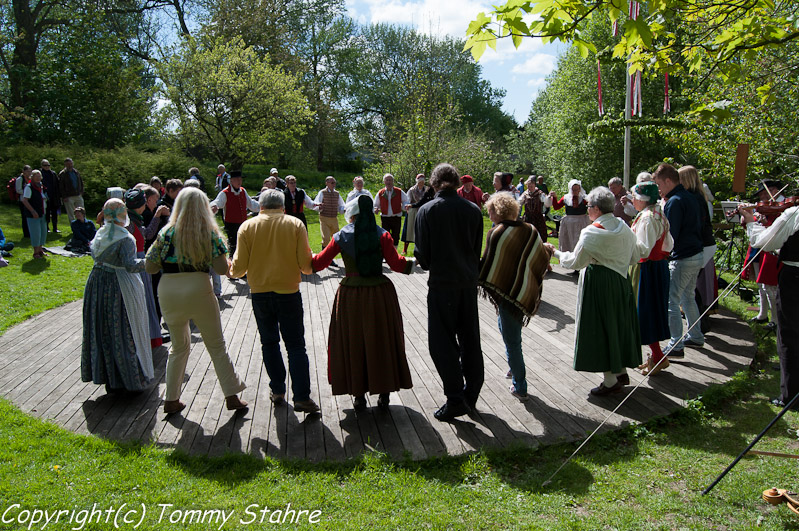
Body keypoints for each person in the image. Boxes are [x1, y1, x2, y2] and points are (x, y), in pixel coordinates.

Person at [145, 187, 247, 414]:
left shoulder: (166, 233)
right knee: (216, 346)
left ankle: (171, 399)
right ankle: (232, 396)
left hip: (169, 290)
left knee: (178, 347)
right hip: (198, 288)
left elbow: (150, 266)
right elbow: (221, 269)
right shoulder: (209, 234)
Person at [312, 195, 414, 409]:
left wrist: (303, 256)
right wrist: (413, 263)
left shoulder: (341, 236)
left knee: (354, 341)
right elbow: (396, 265)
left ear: (352, 214)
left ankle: (358, 394)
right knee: (381, 340)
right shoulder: (382, 235)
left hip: (351, 297)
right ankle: (384, 392)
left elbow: (319, 263)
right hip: (379, 295)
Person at [229, 189, 319, 413]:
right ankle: (302, 396)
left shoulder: (247, 227)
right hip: (289, 292)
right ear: (283, 206)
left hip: (260, 293)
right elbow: (306, 266)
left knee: (269, 343)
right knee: (296, 345)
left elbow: (238, 270)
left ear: (260, 206)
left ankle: (277, 390)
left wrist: (228, 264)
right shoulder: (295, 224)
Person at [545, 187, 641, 395]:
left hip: (600, 284)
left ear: (596, 209)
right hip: (621, 282)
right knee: (617, 325)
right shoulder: (624, 227)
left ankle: (610, 381)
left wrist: (555, 252)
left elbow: (575, 262)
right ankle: (620, 370)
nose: (587, 209)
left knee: (600, 328)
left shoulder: (592, 231)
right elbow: (635, 256)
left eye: (588, 206)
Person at [414, 163, 484, 421]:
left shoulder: (427, 211)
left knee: (441, 343)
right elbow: (477, 249)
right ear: (456, 182)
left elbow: (423, 255)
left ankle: (455, 398)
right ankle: (470, 395)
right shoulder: (473, 210)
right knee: (470, 339)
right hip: (467, 283)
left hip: (442, 284)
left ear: (433, 184)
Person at [480, 192, 551, 401]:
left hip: (507, 295)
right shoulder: (530, 230)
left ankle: (520, 385)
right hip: (522, 292)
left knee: (512, 340)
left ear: (497, 211)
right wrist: (547, 249)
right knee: (507, 330)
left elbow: (488, 264)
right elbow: (539, 256)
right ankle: (514, 366)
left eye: (490, 210)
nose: (489, 214)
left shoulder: (496, 233)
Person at [82, 198, 154, 393]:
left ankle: (108, 377)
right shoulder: (125, 238)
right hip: (117, 286)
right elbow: (131, 266)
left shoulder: (101, 233)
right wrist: (150, 261)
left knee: (102, 329)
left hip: (96, 283)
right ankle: (128, 380)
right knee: (122, 329)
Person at [739, 201, 799, 409]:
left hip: (794, 279)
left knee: (790, 336)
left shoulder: (794, 214)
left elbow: (764, 242)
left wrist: (749, 221)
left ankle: (791, 396)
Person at [653, 163, 705, 358]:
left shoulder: (675, 201)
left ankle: (676, 343)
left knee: (671, 300)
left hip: (682, 257)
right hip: (696, 254)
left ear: (668, 181)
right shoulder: (692, 197)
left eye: (659, 184)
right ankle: (696, 335)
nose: (658, 189)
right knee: (688, 297)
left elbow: (670, 235)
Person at [629, 182, 674, 377]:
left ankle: (658, 357)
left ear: (642, 199)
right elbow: (669, 243)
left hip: (646, 269)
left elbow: (643, 249)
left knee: (645, 313)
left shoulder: (648, 218)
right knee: (651, 312)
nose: (632, 201)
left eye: (635, 197)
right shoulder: (658, 212)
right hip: (657, 267)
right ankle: (656, 356)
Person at [679, 165, 717, 332]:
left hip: (701, 245)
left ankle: (701, 322)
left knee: (690, 287)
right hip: (703, 244)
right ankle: (699, 323)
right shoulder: (698, 196)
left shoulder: (694, 198)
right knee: (691, 287)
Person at [124, 189, 163, 349]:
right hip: (136, 265)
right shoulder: (129, 224)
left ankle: (151, 336)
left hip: (141, 264)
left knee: (148, 300)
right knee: (143, 301)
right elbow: (147, 235)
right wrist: (157, 217)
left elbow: (146, 234)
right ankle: (145, 337)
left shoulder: (135, 220)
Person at [742, 180, 783, 328]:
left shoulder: (783, 206)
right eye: (763, 193)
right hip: (760, 247)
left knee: (770, 285)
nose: (766, 195)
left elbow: (777, 230)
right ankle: (763, 313)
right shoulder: (764, 206)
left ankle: (776, 319)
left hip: (774, 250)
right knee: (762, 284)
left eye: (769, 191)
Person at [210, 170, 259, 258]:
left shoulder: (243, 191)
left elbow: (251, 204)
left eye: (240, 179)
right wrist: (214, 206)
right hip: (231, 225)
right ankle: (232, 265)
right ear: (231, 181)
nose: (239, 182)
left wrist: (263, 206)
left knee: (244, 245)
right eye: (237, 180)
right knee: (233, 246)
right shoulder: (225, 193)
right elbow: (217, 202)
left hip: (243, 224)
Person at [550, 179, 591, 269]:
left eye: (577, 189)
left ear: (580, 189)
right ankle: (570, 262)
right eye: (573, 189)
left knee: (579, 242)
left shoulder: (584, 199)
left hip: (581, 223)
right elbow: (556, 207)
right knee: (568, 242)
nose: (575, 191)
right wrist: (555, 198)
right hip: (568, 225)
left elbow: (591, 206)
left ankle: (581, 264)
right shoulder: (566, 198)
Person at [373, 173, 409, 247]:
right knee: (385, 236)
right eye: (387, 180)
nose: (388, 182)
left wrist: (405, 207)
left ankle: (394, 252)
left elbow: (406, 201)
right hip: (385, 217)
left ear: (393, 181)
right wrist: (376, 208)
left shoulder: (399, 191)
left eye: (390, 180)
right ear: (384, 182)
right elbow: (375, 204)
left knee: (396, 235)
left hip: (396, 217)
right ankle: (386, 252)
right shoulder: (380, 192)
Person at [314, 176, 346, 253]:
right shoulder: (322, 192)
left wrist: (343, 210)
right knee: (326, 238)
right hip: (324, 218)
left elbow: (341, 205)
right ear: (327, 183)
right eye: (332, 183)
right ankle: (323, 257)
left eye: (334, 183)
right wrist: (319, 206)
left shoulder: (337, 194)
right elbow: (316, 204)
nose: (334, 184)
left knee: (336, 238)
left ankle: (331, 257)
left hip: (334, 219)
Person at [21, 170, 48, 259]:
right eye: (36, 176)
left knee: (43, 232)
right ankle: (35, 252)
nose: (38, 178)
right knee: (36, 233)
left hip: (42, 212)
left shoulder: (41, 186)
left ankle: (40, 250)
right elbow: (25, 200)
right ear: (32, 177)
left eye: (39, 176)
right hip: (33, 214)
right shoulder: (29, 187)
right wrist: (32, 211)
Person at [401, 174, 429, 254]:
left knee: (422, 229)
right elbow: (408, 201)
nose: (421, 183)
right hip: (413, 211)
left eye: (423, 182)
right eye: (420, 182)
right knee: (409, 229)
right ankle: (405, 249)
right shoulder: (412, 190)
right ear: (417, 182)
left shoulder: (427, 190)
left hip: (423, 211)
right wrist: (409, 206)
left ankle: (421, 249)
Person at [519, 176, 552, 242]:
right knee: (526, 238)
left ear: (534, 185)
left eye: (531, 186)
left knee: (540, 237)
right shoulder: (525, 194)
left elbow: (547, 204)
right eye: (528, 186)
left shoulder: (540, 194)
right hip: (527, 218)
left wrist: (548, 198)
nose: (529, 188)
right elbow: (519, 203)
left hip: (538, 218)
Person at [58, 158, 84, 223]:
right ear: (65, 165)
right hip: (68, 196)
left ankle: (83, 225)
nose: (70, 165)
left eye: (71, 164)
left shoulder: (76, 172)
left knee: (82, 211)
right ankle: (74, 227)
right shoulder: (62, 174)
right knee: (71, 213)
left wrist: (81, 192)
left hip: (78, 195)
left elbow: (81, 182)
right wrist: (64, 196)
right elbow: (61, 186)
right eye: (68, 164)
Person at [40, 159, 61, 233]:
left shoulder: (53, 173)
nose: (47, 167)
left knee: (55, 213)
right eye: (45, 165)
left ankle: (55, 228)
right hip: (45, 197)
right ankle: (47, 228)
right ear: (42, 166)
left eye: (48, 165)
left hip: (54, 196)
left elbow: (57, 184)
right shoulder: (40, 174)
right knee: (47, 213)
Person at [15, 165, 32, 238]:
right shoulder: (20, 179)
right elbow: (18, 190)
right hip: (23, 200)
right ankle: (26, 233)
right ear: (24, 171)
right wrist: (27, 192)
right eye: (27, 171)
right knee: (24, 217)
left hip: (30, 200)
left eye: (30, 171)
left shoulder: (30, 179)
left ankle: (31, 232)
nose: (29, 173)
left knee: (30, 216)